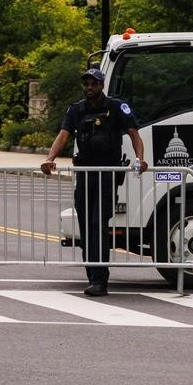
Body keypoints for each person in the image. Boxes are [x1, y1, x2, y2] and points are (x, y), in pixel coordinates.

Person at [41, 67, 146, 297]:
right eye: (86, 84)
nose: (90, 88)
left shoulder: (117, 107)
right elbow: (63, 136)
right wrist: (50, 159)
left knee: (99, 226)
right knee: (87, 229)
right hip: (86, 175)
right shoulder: (76, 110)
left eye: (94, 84)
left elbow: (134, 134)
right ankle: (92, 276)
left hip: (106, 176)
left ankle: (100, 280)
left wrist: (140, 159)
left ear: (102, 85)